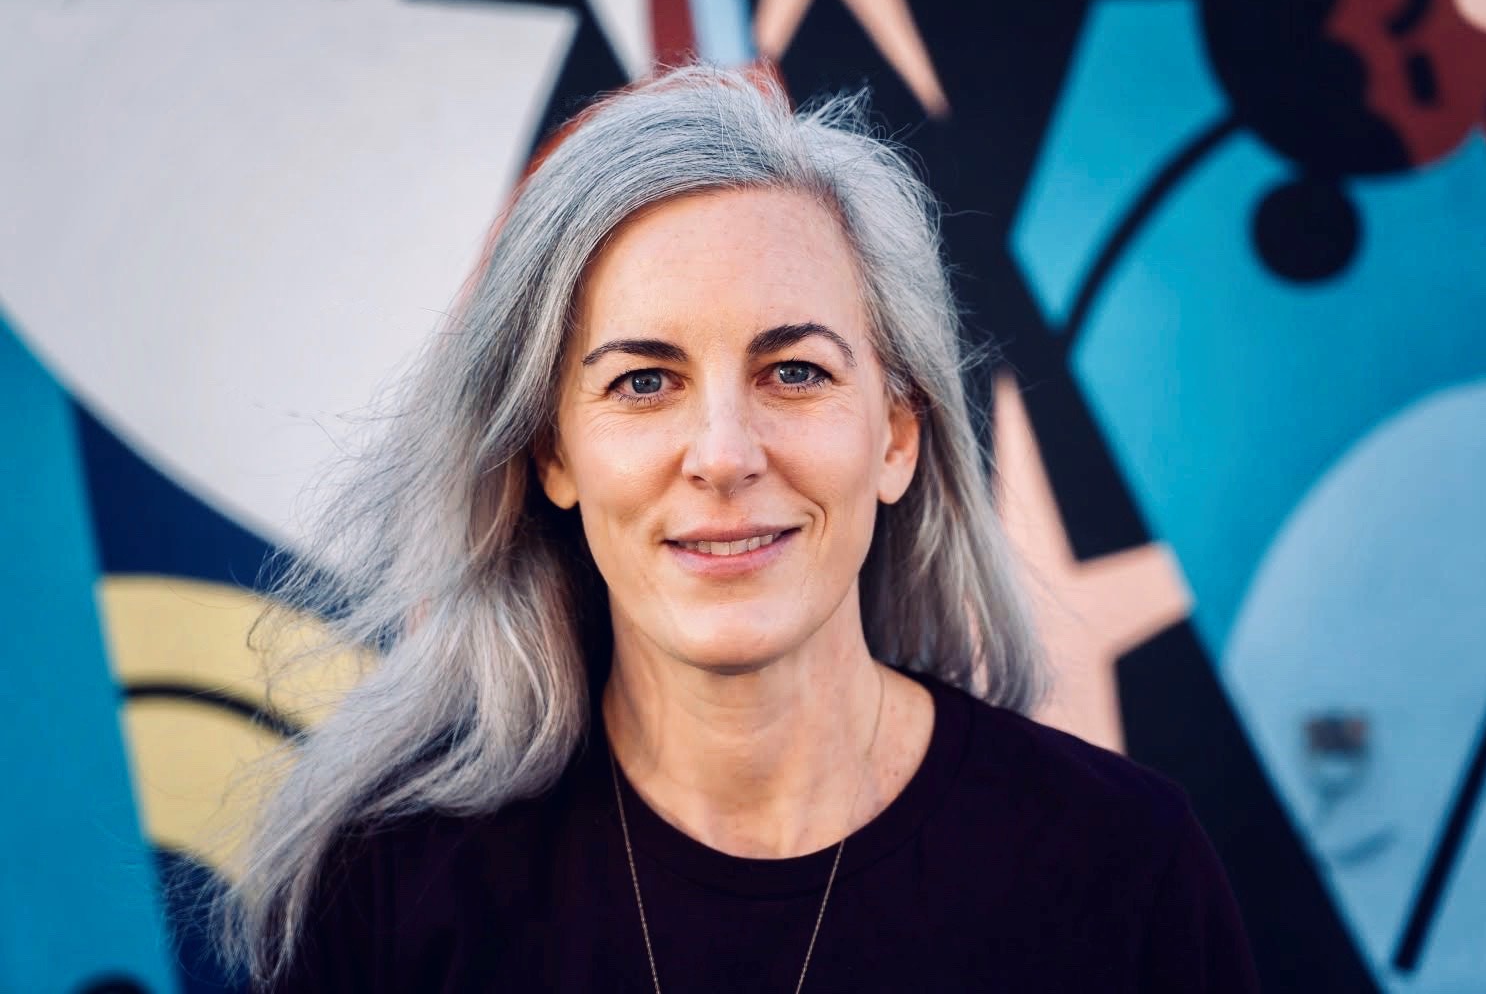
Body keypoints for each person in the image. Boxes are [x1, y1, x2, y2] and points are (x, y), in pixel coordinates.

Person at [221, 64, 1259, 992]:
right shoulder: (397, 888)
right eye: (643, 382)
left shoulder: (1123, 869)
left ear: (897, 434)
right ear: (553, 455)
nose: (723, 452)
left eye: (794, 370)